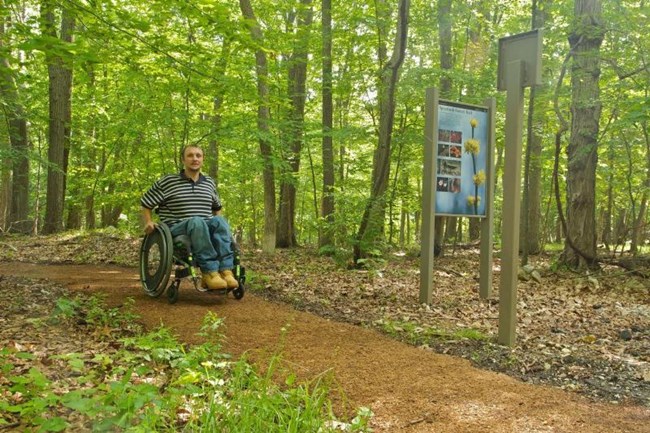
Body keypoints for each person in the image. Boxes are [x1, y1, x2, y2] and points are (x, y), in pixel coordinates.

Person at [140, 145, 238, 291]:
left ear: (203, 159)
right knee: (197, 221)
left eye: (198, 155)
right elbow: (146, 203)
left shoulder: (209, 183)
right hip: (177, 228)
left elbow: (217, 209)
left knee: (220, 221)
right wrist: (148, 221)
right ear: (183, 160)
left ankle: (226, 271)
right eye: (190, 155)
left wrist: (221, 229)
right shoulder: (168, 181)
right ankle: (210, 272)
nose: (195, 159)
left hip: (203, 227)